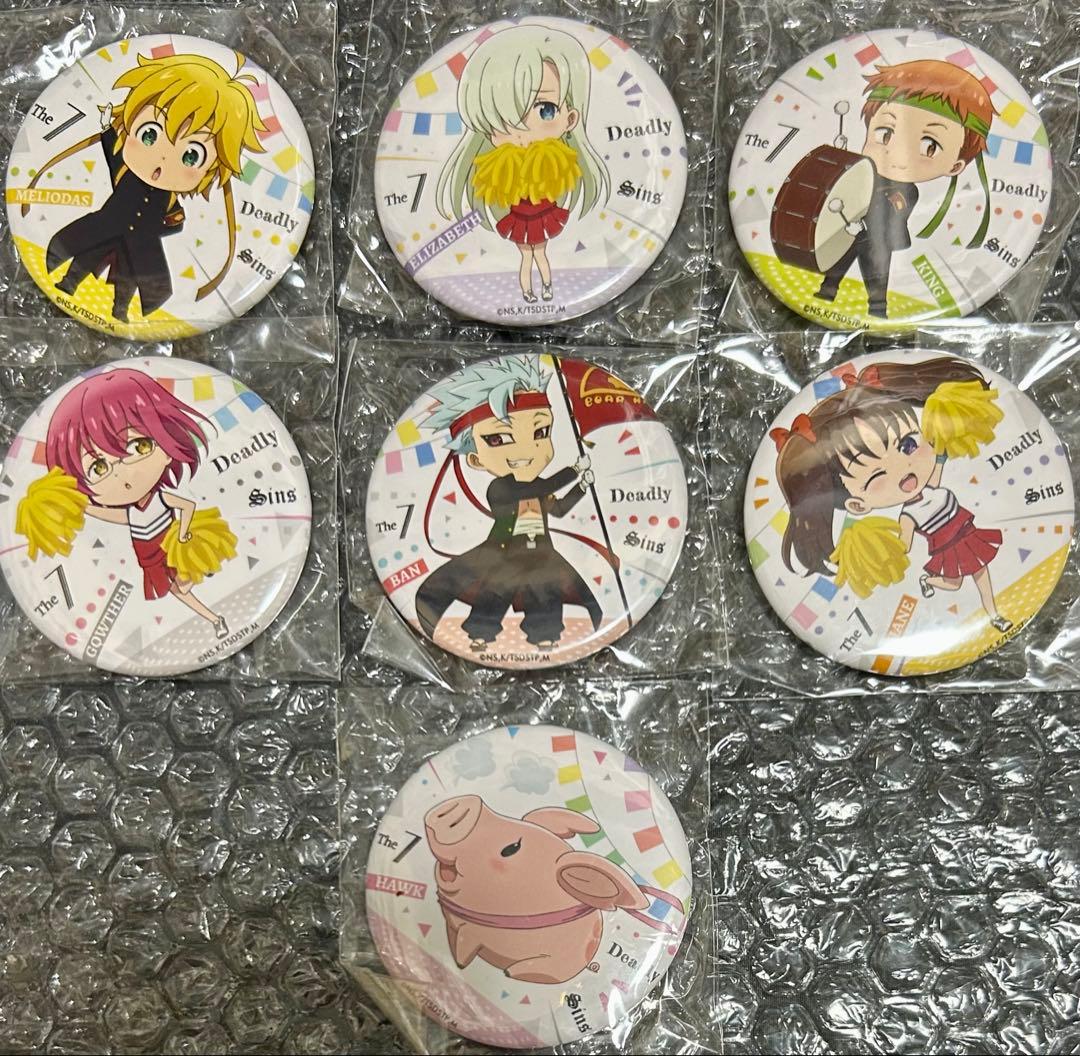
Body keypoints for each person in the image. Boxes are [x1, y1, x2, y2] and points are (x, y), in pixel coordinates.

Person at [436, 25, 609, 303]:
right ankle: (530, 293)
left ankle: (544, 289)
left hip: (539, 215)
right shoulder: (500, 166)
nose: (521, 132)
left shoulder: (555, 162)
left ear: (570, 119)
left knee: (536, 254)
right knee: (531, 256)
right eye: (502, 120)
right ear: (488, 130)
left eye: (545, 110)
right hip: (523, 218)